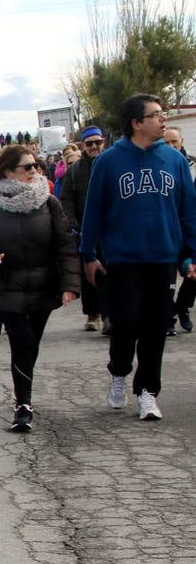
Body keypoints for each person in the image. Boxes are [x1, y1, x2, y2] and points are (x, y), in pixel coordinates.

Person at [78, 94, 196, 421]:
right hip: (122, 259)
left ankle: (147, 392)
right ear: (136, 123)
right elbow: (94, 212)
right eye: (156, 115)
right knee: (126, 323)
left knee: (155, 328)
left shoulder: (174, 161)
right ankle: (118, 371)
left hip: (162, 259)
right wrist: (88, 253)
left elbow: (189, 212)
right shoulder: (109, 162)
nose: (163, 120)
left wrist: (190, 255)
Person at [0, 145, 81, 432]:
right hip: (7, 288)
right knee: (22, 343)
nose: (34, 171)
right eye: (27, 167)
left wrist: (70, 284)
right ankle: (23, 405)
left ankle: (23, 395)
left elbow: (65, 246)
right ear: (8, 171)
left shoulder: (49, 202)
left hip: (44, 287)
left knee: (32, 345)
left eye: (35, 166)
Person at [60, 124, 109, 332]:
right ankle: (93, 314)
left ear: (103, 142)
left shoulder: (111, 164)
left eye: (98, 142)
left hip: (110, 230)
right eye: (90, 143)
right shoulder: (74, 170)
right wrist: (74, 225)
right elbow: (66, 200)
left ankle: (109, 315)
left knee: (110, 272)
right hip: (85, 230)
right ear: (83, 145)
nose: (94, 146)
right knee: (89, 274)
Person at [165, 126, 196, 332]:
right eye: (166, 142)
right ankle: (167, 318)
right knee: (166, 281)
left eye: (174, 141)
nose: (171, 146)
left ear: (181, 142)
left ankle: (181, 307)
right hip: (167, 231)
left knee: (192, 274)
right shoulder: (160, 164)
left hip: (188, 230)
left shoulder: (191, 166)